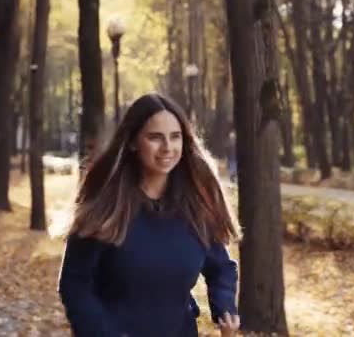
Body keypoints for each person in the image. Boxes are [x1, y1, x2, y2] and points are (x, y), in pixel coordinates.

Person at [57, 93, 242, 337]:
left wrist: (224, 306)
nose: (167, 148)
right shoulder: (105, 206)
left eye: (175, 137)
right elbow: (74, 284)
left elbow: (221, 267)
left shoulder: (195, 208)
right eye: (155, 137)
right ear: (133, 142)